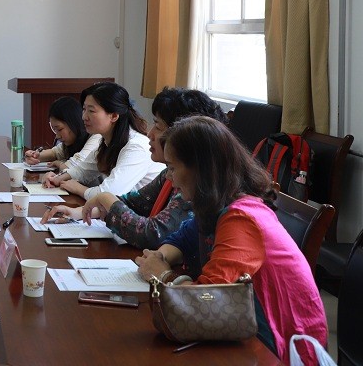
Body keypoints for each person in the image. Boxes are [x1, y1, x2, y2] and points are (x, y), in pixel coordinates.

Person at [135, 116, 327, 360]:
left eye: (172, 168)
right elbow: (183, 238)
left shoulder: (242, 218)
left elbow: (206, 301)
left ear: (201, 170)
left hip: (283, 350)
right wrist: (158, 258)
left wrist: (163, 274)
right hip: (249, 331)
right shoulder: (217, 203)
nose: (168, 178)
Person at [41, 87, 226, 249]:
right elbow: (134, 202)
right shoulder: (168, 174)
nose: (150, 133)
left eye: (158, 126)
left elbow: (152, 234)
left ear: (185, 136)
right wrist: (80, 212)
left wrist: (104, 197)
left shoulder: (198, 185)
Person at [42, 82, 162, 200]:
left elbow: (109, 194)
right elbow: (82, 171)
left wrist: (78, 189)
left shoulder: (136, 147)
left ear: (114, 116)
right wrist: (56, 178)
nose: (84, 117)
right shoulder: (107, 141)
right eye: (84, 109)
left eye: (91, 111)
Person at [23, 97, 102, 182]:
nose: (57, 136)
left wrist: (59, 163)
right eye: (54, 130)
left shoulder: (97, 137)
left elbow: (72, 169)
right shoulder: (74, 140)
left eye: (59, 129)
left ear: (74, 123)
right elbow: (54, 152)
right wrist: (34, 156)